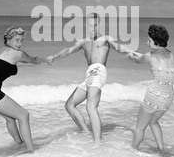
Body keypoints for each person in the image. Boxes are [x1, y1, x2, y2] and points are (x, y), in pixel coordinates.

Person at [47, 13, 133, 143]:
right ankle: (87, 133)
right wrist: (55, 56)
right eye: (90, 25)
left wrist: (131, 52)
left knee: (91, 106)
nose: (93, 28)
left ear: (99, 24)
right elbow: (69, 50)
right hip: (89, 74)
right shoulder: (83, 42)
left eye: (95, 25)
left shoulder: (105, 39)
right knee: (69, 105)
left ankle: (98, 142)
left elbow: (119, 47)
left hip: (98, 70)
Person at [0, 27, 51, 152]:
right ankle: (30, 151)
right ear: (8, 39)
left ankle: (19, 144)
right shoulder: (18, 54)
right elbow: (33, 59)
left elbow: (11, 66)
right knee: (23, 115)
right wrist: (46, 60)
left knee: (10, 119)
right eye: (17, 40)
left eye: (21, 40)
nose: (19, 44)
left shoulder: (4, 51)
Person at [127, 24, 174, 157]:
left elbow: (138, 61)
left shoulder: (149, 55)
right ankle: (161, 150)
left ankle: (133, 151)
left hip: (154, 95)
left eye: (149, 40)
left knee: (140, 127)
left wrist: (130, 56)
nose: (147, 42)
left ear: (156, 41)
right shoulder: (172, 55)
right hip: (168, 97)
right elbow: (159, 64)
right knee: (153, 122)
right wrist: (140, 55)